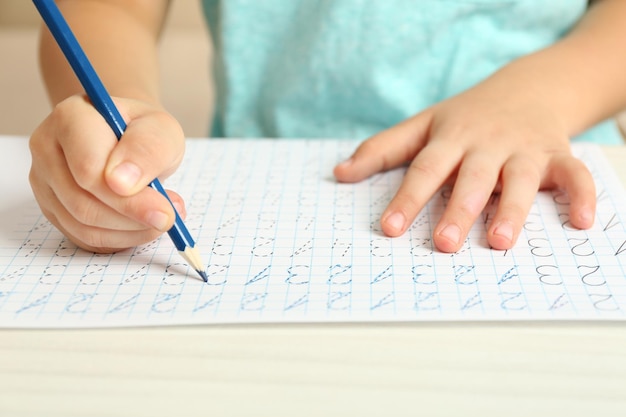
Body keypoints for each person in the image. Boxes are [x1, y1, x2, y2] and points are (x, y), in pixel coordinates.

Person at [29, 0, 626, 255]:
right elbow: (108, 9)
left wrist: (536, 96)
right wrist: (118, 111)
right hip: (261, 181)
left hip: (552, 162)